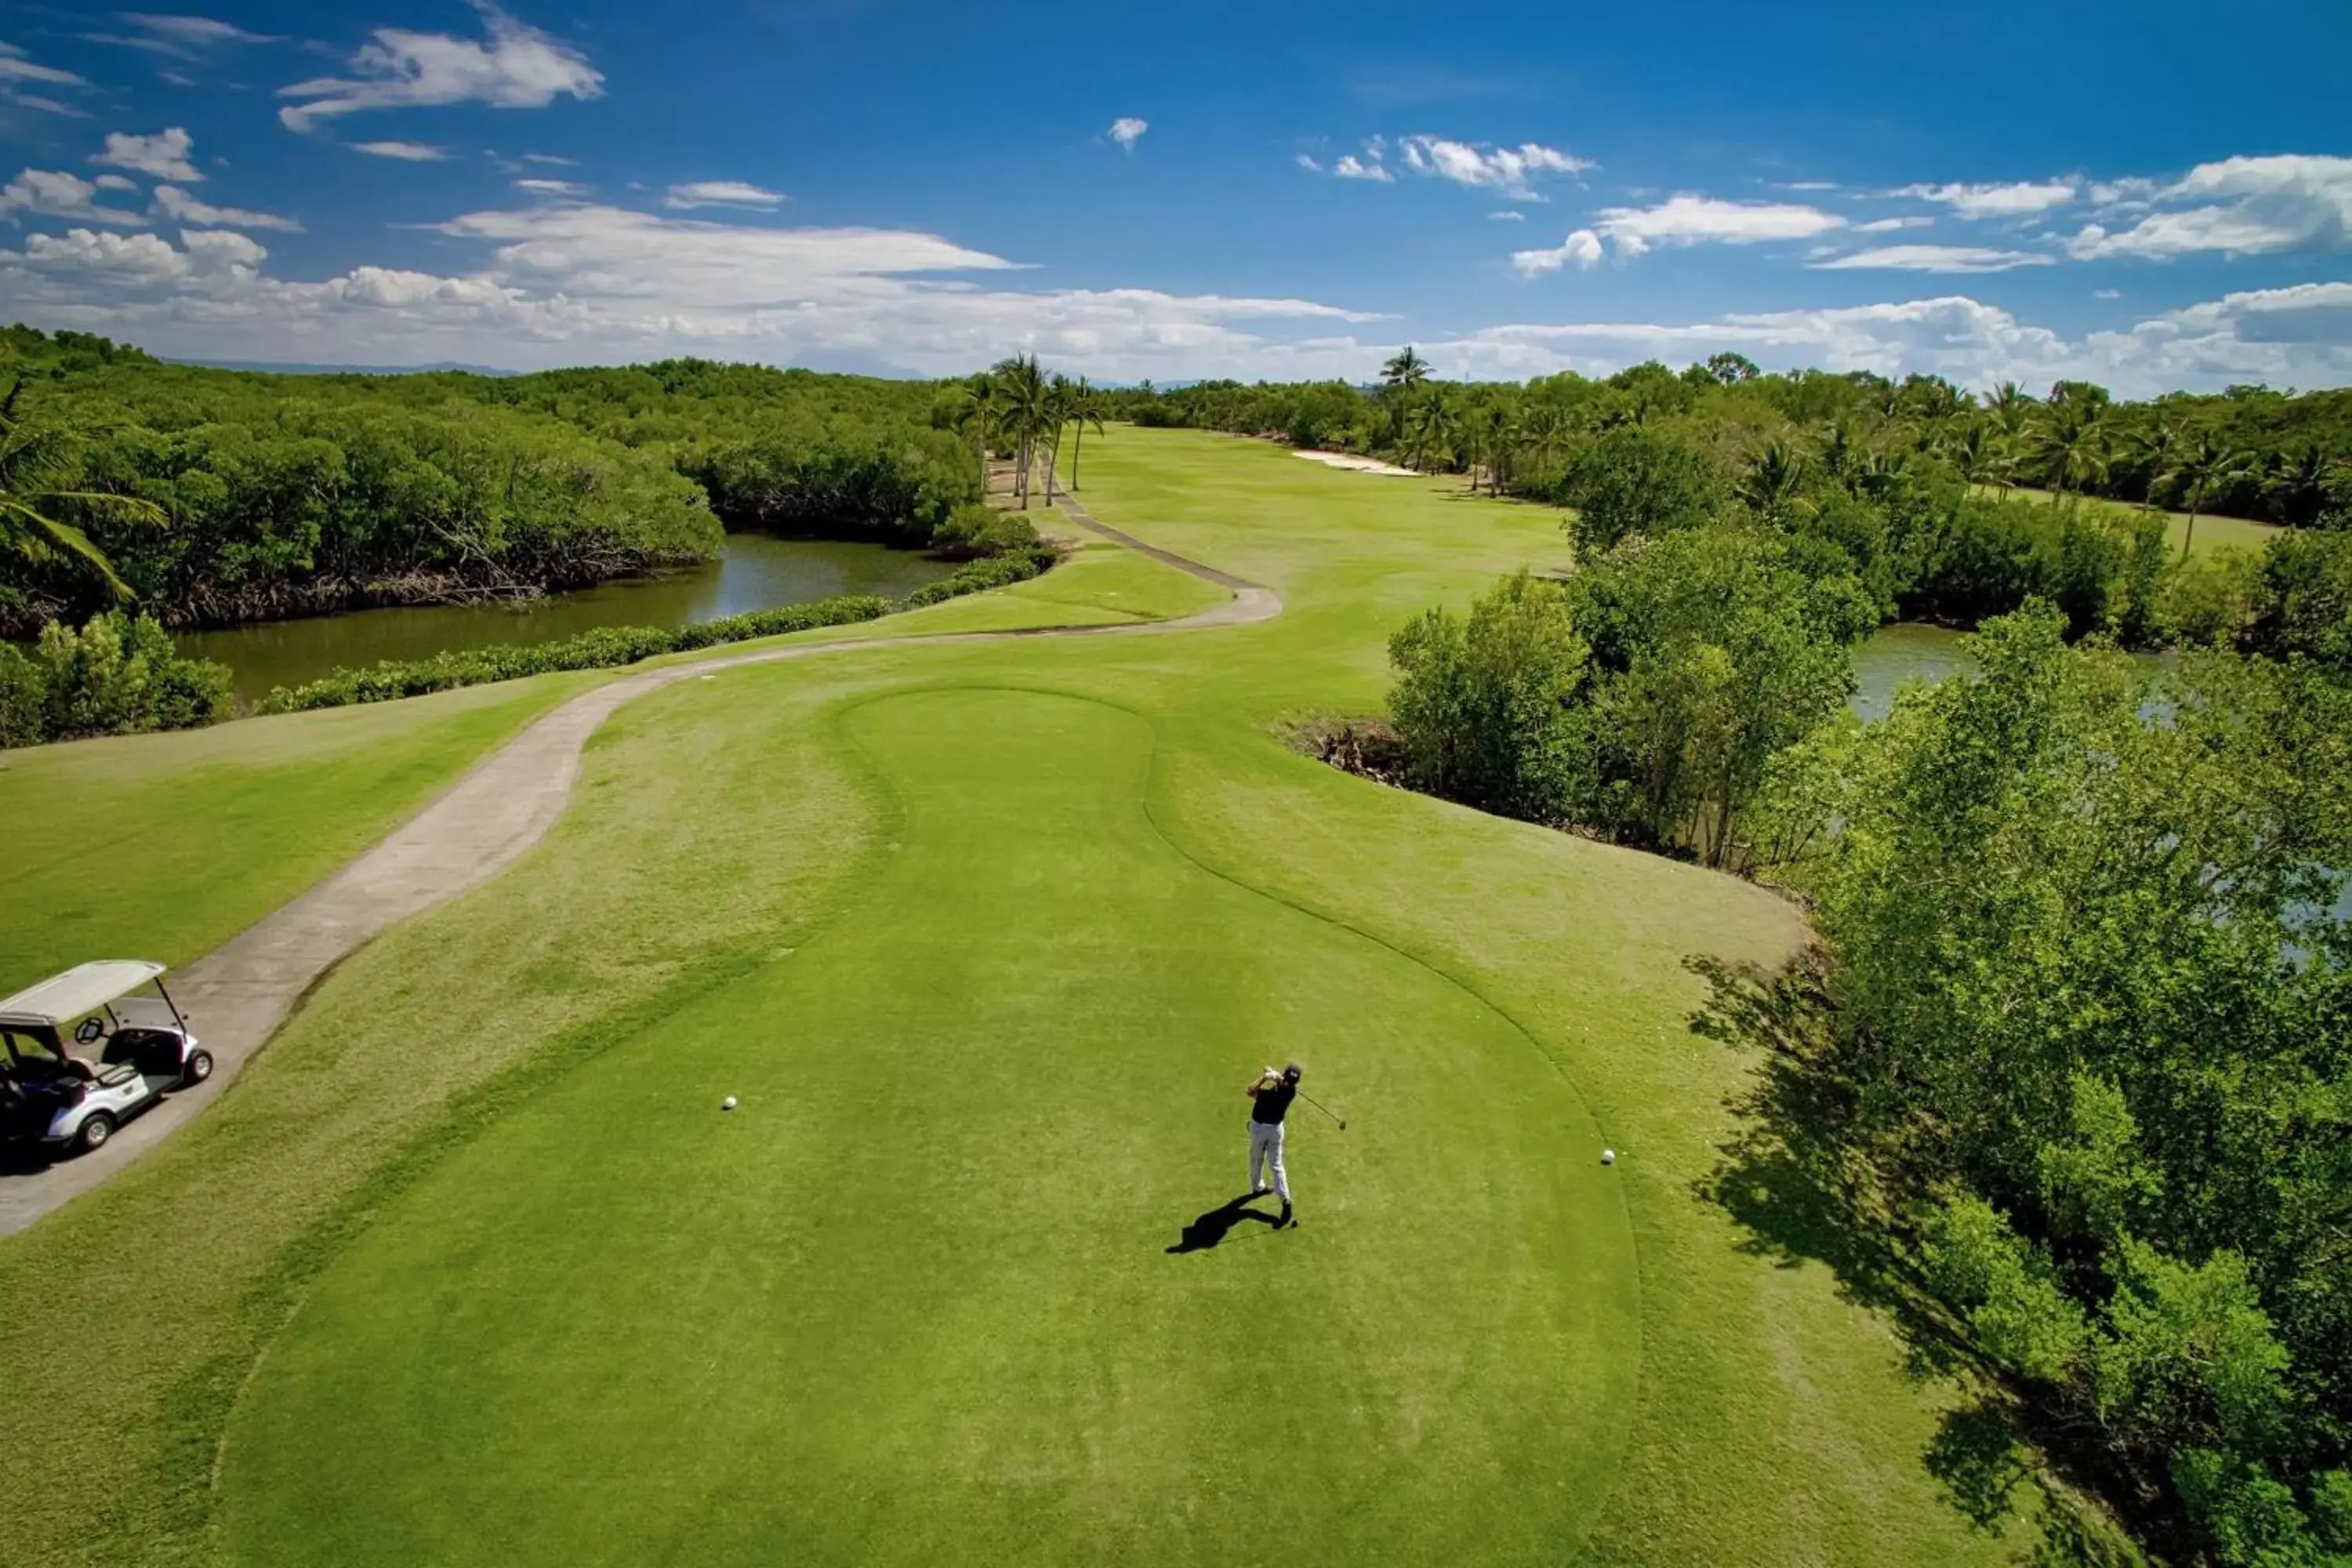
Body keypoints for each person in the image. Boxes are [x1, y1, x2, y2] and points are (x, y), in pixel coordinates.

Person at [1245, 1062, 1302, 1226]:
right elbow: (1282, 1085)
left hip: (1259, 1129)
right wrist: (1275, 1077)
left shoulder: (1268, 1096)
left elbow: (1250, 1091)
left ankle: (1258, 1187)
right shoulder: (1292, 1091)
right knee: (1277, 1165)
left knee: (1256, 1158)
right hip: (1276, 1131)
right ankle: (1285, 1200)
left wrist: (1264, 1078)